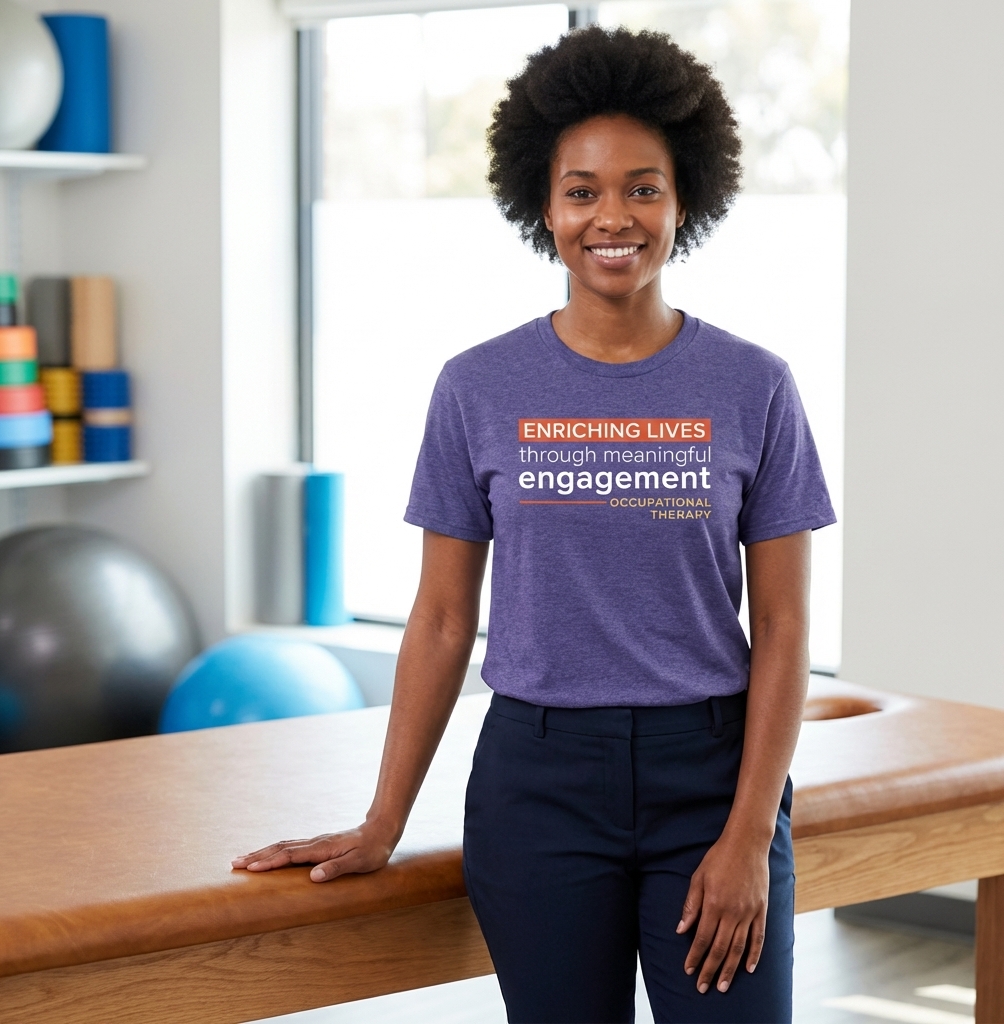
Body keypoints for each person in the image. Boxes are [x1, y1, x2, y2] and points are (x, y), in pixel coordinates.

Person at [233, 25, 835, 1024]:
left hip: (711, 776)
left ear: (685, 200)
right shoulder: (476, 387)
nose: (614, 216)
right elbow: (436, 621)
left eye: (643, 187)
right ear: (542, 206)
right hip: (539, 786)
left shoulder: (754, 386)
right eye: (583, 190)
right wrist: (383, 819)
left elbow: (782, 628)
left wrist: (743, 838)